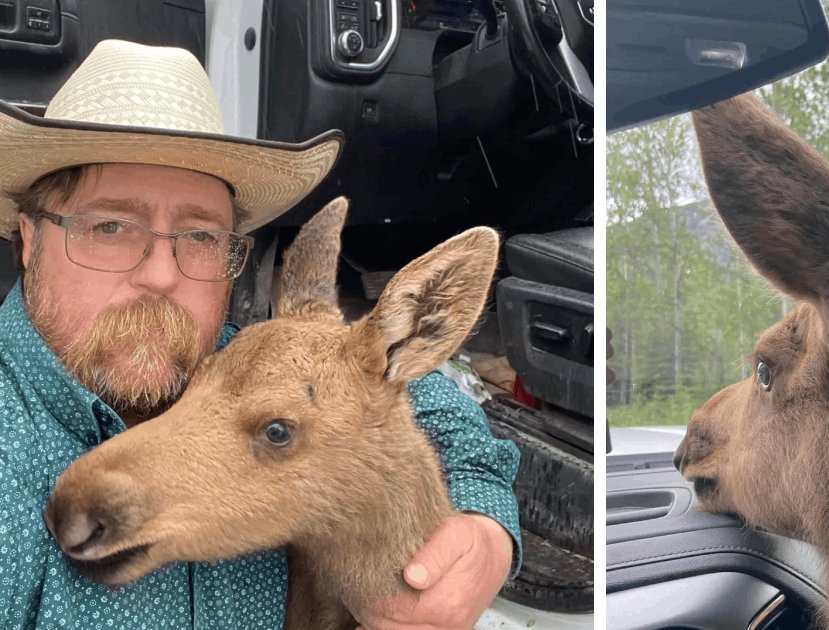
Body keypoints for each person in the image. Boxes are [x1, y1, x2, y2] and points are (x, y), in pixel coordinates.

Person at [0, 39, 521, 630]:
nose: (161, 274)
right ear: (30, 238)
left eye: (200, 237)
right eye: (111, 226)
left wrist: (485, 522)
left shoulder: (226, 356)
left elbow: (410, 399)